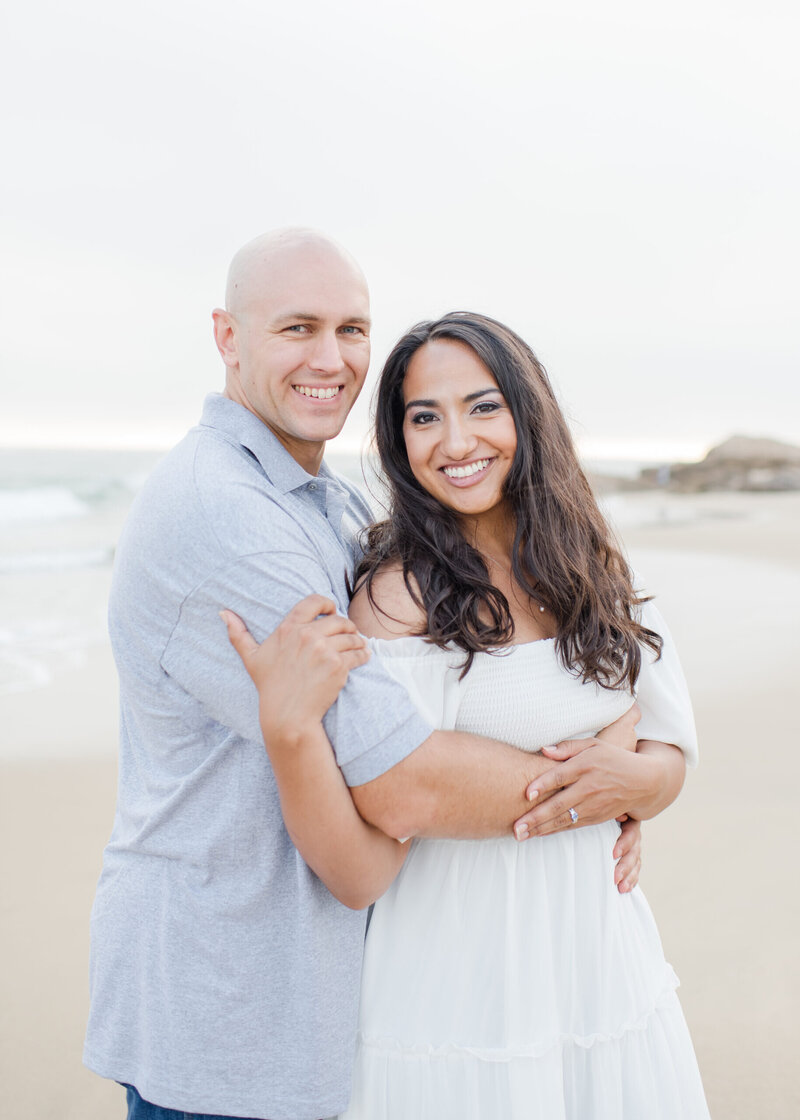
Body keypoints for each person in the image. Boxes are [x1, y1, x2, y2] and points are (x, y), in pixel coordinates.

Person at [84, 228, 663, 1120]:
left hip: (312, 996)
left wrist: (636, 780)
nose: (332, 358)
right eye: (297, 328)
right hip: (234, 1013)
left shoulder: (326, 500)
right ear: (228, 338)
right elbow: (404, 782)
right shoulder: (226, 517)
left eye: (352, 329)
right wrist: (603, 787)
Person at [225, 311, 709, 1117]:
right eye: (425, 417)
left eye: (483, 407)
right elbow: (392, 796)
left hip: (599, 955)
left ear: (528, 413)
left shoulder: (587, 566)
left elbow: (667, 745)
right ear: (397, 439)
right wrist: (593, 787)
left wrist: (639, 783)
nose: (456, 441)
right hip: (460, 970)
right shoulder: (401, 594)